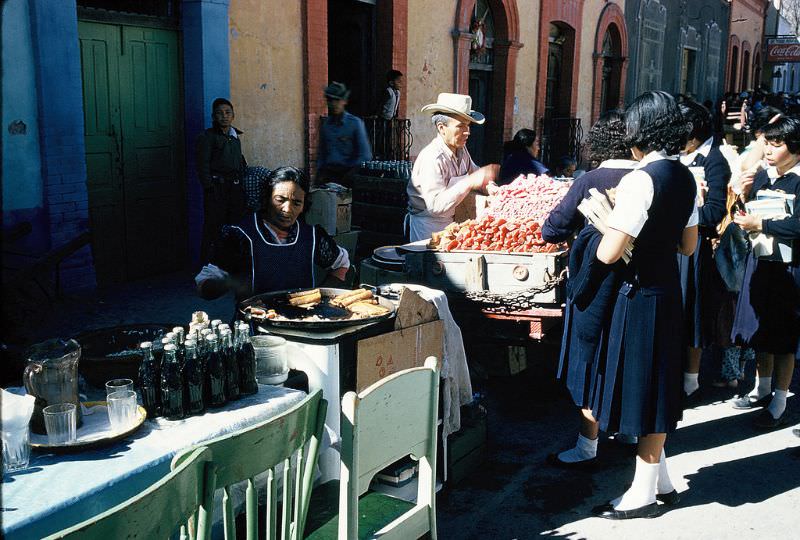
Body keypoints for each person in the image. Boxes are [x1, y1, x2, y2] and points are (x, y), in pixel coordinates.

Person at [590, 91, 698, 519]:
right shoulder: (685, 176)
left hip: (638, 294)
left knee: (645, 389)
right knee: (659, 382)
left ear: (638, 131)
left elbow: (608, 254)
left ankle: (642, 493)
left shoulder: (641, 178)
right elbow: (688, 246)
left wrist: (610, 217)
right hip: (669, 290)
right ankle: (661, 480)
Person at [542, 110, 638, 469]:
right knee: (626, 352)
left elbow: (554, 228)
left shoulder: (591, 180)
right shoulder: (647, 178)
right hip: (637, 284)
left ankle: (587, 444)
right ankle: (628, 431)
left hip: (595, 281)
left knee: (590, 356)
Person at [730, 116, 800, 429]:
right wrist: (742, 197)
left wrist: (764, 224)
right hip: (761, 262)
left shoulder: (797, 180)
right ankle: (762, 386)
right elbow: (743, 216)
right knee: (760, 327)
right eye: (768, 143)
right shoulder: (762, 176)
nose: (769, 151)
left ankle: (781, 398)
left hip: (790, 267)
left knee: (785, 335)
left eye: (777, 144)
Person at [196, 166, 350, 303]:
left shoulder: (312, 237)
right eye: (280, 200)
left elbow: (342, 265)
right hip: (255, 327)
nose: (287, 209)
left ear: (304, 206)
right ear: (266, 198)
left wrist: (320, 300)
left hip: (304, 324)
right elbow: (204, 286)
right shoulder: (240, 235)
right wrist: (230, 282)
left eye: (296, 203)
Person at [676, 100, 731, 399]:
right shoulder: (678, 157)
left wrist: (682, 212)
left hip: (696, 248)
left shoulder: (713, 161)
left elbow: (715, 212)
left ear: (694, 135)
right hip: (673, 243)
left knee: (692, 309)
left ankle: (691, 377)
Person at [406, 93, 500, 241]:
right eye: (461, 126)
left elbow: (475, 173)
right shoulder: (432, 157)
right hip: (427, 227)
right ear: (442, 128)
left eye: (468, 126)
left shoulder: (461, 150)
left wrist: (490, 186)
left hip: (451, 223)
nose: (467, 132)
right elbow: (436, 206)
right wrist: (469, 182)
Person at [196, 97, 248, 262]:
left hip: (235, 188)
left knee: (234, 225)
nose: (224, 116)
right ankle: (207, 266)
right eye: (219, 113)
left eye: (227, 112)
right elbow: (202, 164)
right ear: (213, 117)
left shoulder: (234, 137)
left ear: (233, 116)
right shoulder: (207, 137)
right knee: (213, 227)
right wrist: (209, 188)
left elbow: (239, 160)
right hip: (217, 189)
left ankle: (231, 264)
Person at [317, 82, 372, 187]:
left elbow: (365, 155)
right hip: (329, 175)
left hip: (348, 175)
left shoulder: (355, 123)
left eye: (337, 100)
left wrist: (351, 174)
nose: (334, 104)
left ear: (344, 101)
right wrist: (320, 175)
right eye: (330, 100)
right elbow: (322, 154)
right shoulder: (326, 126)